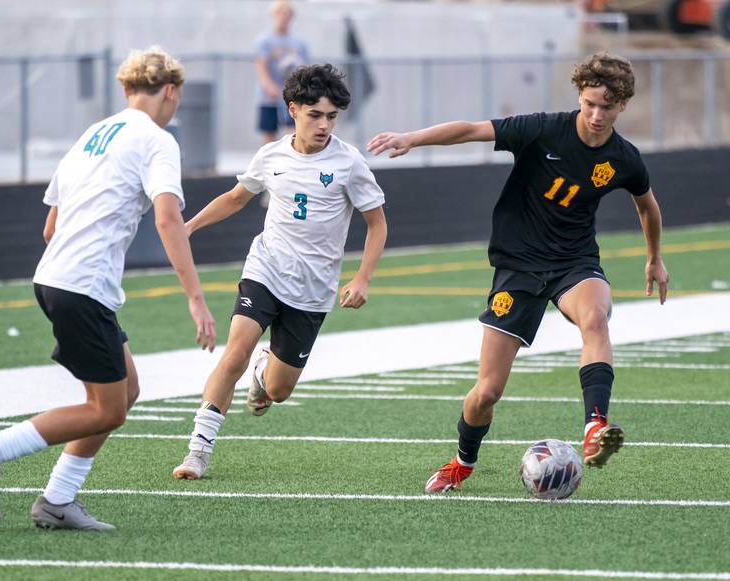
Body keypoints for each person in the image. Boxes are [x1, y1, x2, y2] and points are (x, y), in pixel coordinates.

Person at [367, 52, 669, 494]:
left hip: (574, 262)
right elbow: (472, 130)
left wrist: (654, 257)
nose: (597, 114)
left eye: (607, 106)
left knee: (596, 319)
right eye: (589, 103)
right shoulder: (543, 128)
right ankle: (462, 462)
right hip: (518, 266)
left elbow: (647, 206)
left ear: (622, 105)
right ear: (579, 97)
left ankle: (594, 426)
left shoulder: (624, 158)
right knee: (487, 391)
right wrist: (412, 138)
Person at [0, 46, 217, 529]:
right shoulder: (159, 141)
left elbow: (50, 226)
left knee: (127, 389)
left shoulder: (93, 134)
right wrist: (196, 299)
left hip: (56, 276)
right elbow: (167, 217)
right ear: (172, 91)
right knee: (108, 410)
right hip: (81, 285)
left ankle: (57, 501)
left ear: (124, 89)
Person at [172, 64, 387, 481]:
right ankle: (198, 450)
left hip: (313, 289)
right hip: (267, 268)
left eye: (331, 117)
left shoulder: (349, 163)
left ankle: (263, 372)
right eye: (314, 115)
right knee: (234, 352)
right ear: (293, 110)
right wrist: (191, 226)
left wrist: (362, 279)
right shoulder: (270, 155)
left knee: (279, 391)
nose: (324, 125)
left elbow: (377, 224)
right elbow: (236, 198)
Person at [255, 0, 309, 145]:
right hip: (269, 97)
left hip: (292, 95)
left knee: (293, 131)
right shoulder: (265, 40)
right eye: (280, 14)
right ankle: (269, 167)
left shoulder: (298, 43)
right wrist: (269, 86)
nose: (284, 18)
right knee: (269, 134)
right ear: (274, 15)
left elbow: (304, 69)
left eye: (287, 14)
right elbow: (261, 66)